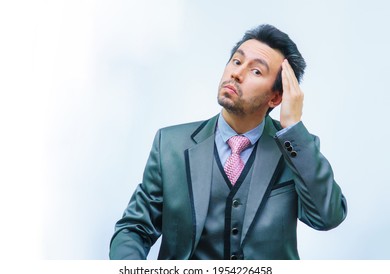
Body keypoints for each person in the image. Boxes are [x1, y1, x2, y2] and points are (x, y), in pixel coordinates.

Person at [109, 24, 347, 260]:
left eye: (256, 71)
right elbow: (134, 229)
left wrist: (293, 129)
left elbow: (327, 217)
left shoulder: (295, 150)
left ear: (276, 97)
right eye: (236, 61)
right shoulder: (170, 144)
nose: (237, 74)